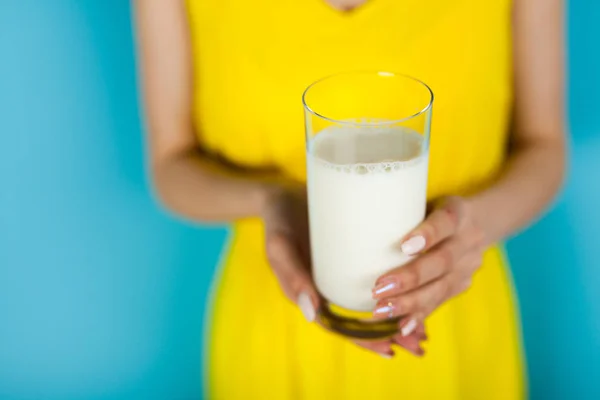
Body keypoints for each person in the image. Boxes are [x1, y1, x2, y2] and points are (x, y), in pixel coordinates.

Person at [134, 0, 565, 398]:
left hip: (453, 299)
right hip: (276, 320)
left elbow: (545, 147)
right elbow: (171, 165)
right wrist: (271, 199)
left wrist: (473, 227)